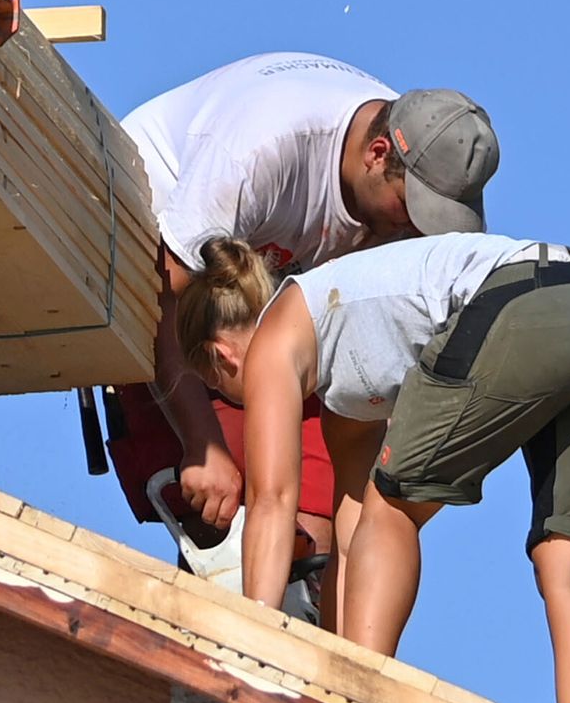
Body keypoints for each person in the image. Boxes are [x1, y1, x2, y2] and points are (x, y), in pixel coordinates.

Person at [171, 229, 570, 703]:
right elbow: (351, 526)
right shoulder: (343, 369)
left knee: (393, 508)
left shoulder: (274, 338)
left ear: (222, 356)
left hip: (529, 303)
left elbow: (272, 503)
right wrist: (331, 657)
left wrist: (256, 653)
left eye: (222, 392)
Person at [80, 57, 502, 604]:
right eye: (412, 208)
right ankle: (224, 671)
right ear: (377, 157)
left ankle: (323, 682)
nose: (416, 228)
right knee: (225, 526)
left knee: (315, 544)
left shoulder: (421, 151)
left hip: (279, 327)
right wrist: (201, 440)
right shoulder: (262, 151)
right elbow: (159, 299)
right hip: (165, 299)